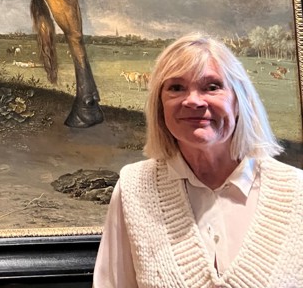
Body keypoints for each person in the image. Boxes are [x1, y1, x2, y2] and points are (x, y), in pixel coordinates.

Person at [93, 33, 303, 287]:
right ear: (160, 105)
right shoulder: (134, 188)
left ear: (239, 101)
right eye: (176, 88)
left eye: (212, 86)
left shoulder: (296, 192)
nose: (192, 100)